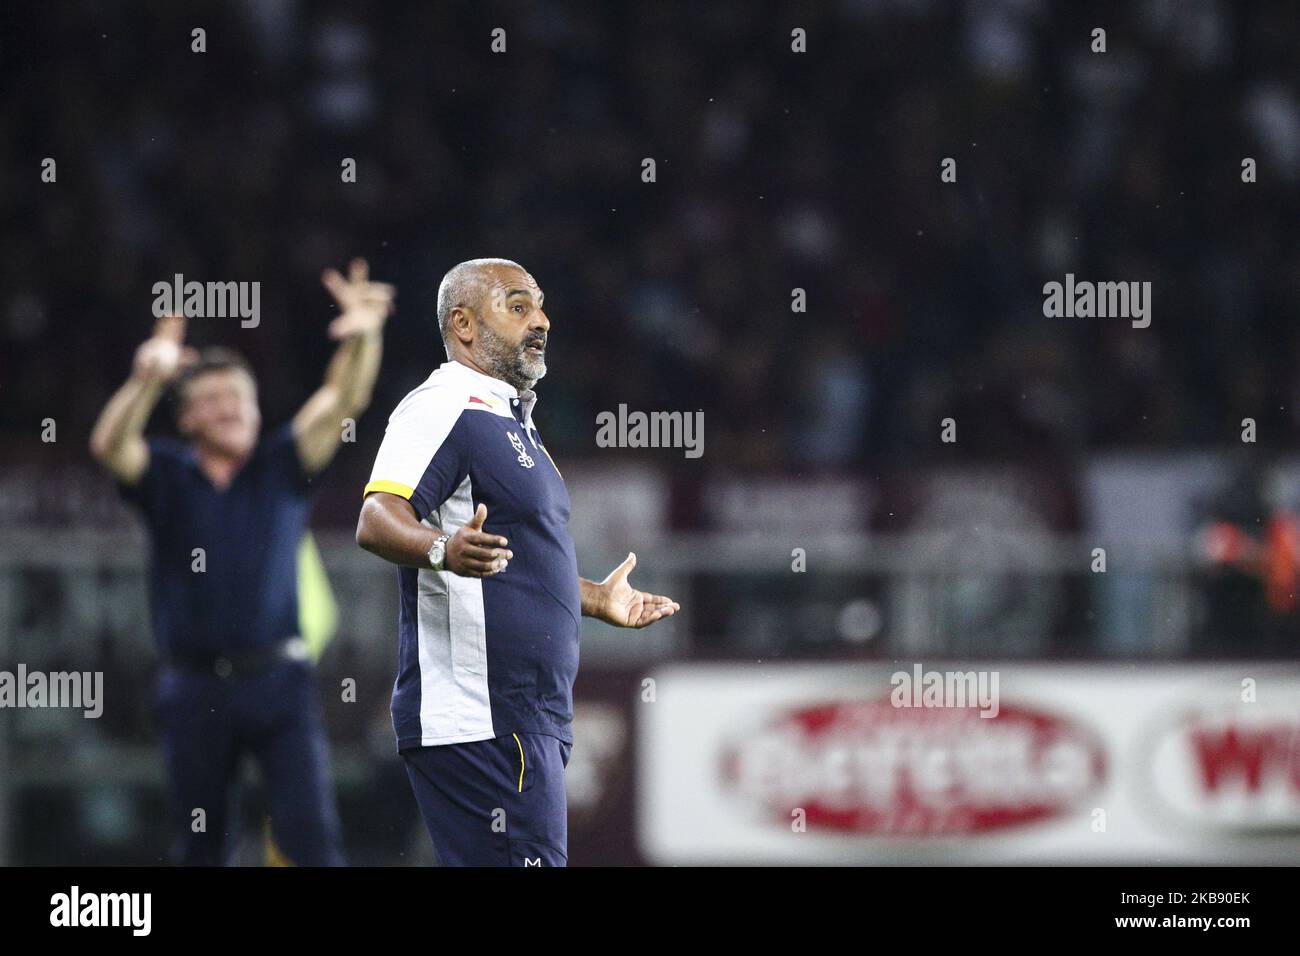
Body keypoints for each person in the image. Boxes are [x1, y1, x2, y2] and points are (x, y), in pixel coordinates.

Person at [355, 258, 678, 866]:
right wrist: (439, 549)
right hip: (484, 717)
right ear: (465, 324)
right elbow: (376, 518)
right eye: (518, 306)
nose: (542, 321)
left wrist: (589, 598)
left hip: (523, 717)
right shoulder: (444, 404)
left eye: (541, 306)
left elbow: (514, 562)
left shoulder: (511, 421)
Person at [89, 258, 395, 865]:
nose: (230, 408)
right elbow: (109, 445)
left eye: (240, 397)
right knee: (201, 849)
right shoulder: (167, 475)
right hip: (192, 684)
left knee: (311, 843)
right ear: (186, 420)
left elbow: (344, 397)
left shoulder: (278, 466)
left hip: (279, 682)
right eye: (213, 399)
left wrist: (364, 334)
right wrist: (147, 379)